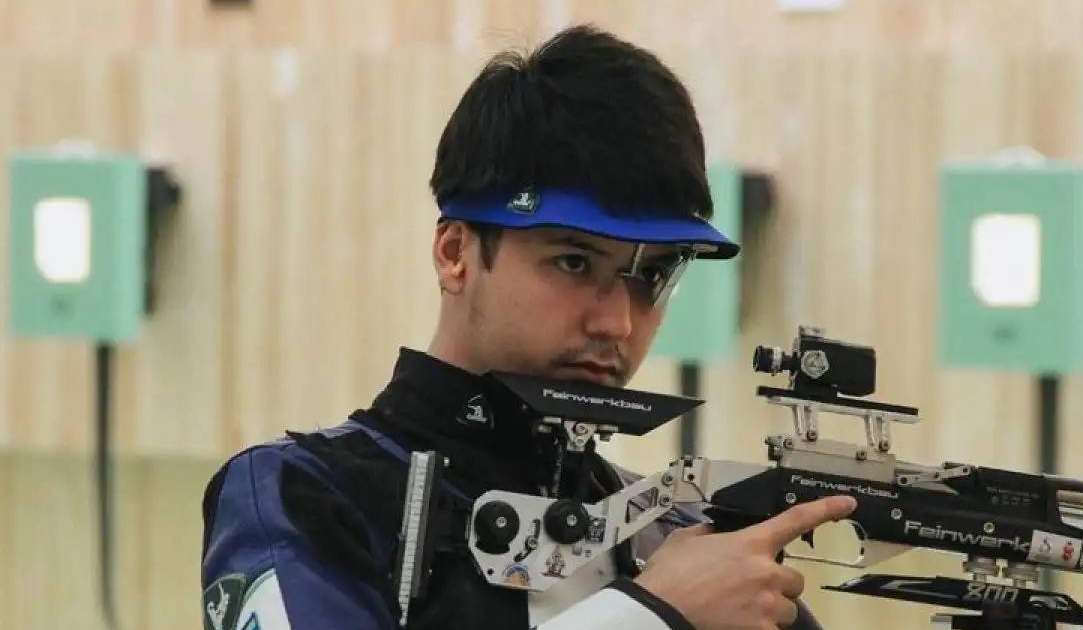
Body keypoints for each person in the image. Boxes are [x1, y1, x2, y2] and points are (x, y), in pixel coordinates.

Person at [200, 25, 856, 630]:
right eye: (574, 261)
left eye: (652, 276)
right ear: (455, 253)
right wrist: (652, 615)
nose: (618, 320)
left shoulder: (677, 537)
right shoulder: (306, 492)